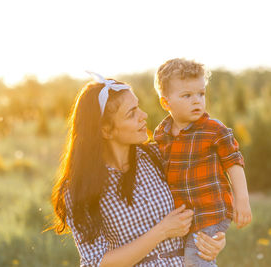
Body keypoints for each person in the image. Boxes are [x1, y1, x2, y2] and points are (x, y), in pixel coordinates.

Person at [50, 72, 227, 266]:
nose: (144, 116)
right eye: (131, 113)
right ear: (106, 130)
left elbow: (202, 196)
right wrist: (162, 231)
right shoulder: (81, 189)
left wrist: (215, 238)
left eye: (138, 107)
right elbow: (96, 263)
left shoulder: (158, 156)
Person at [153, 58, 252, 267]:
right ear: (165, 102)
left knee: (196, 260)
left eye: (201, 94)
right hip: (184, 217)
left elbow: (234, 163)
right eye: (187, 95)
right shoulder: (162, 135)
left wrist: (241, 200)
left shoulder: (214, 130)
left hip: (210, 212)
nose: (197, 100)